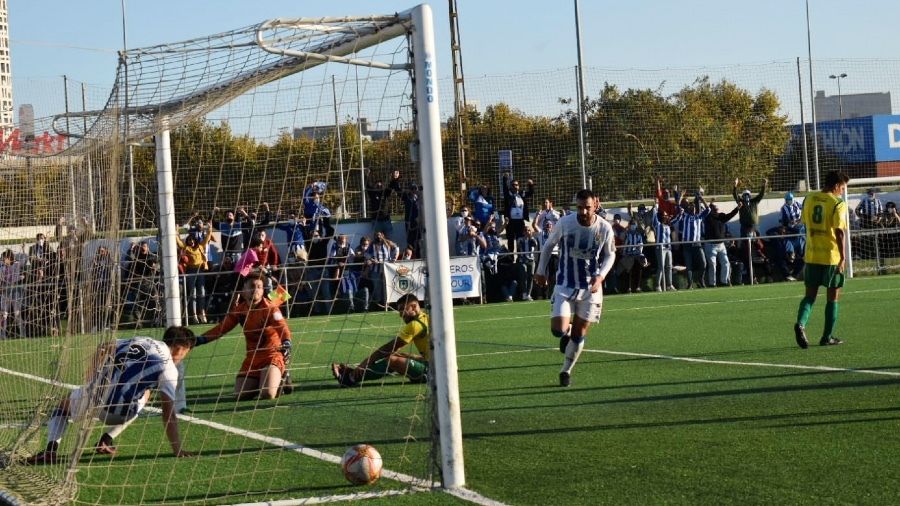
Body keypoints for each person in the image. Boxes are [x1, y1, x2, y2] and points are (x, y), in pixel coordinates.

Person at [24, 326, 198, 464]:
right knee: (145, 393)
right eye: (186, 351)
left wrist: (91, 375)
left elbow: (103, 347)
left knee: (61, 407)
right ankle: (106, 439)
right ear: (179, 348)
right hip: (118, 414)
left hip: (94, 398)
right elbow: (168, 414)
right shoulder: (169, 370)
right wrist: (177, 449)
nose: (184, 356)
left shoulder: (142, 339)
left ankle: (50, 450)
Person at [534, 189, 616, 387]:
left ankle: (566, 371)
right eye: (580, 207)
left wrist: (600, 277)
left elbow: (610, 254)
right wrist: (540, 270)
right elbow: (548, 246)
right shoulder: (565, 223)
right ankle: (567, 330)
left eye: (587, 207)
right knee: (558, 331)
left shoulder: (604, 228)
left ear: (596, 204)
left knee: (580, 335)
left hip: (590, 288)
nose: (583, 212)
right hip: (565, 284)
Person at [198, 272, 293, 399]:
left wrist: (287, 342)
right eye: (252, 286)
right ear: (244, 290)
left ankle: (280, 376)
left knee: (267, 394)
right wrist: (200, 339)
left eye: (259, 287)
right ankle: (268, 378)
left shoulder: (270, 308)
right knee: (240, 394)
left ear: (263, 290)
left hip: (272, 355)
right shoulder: (239, 310)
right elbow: (221, 328)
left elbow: (283, 327)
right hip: (252, 358)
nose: (256, 290)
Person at [794, 170, 850, 349]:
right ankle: (827, 337)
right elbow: (839, 231)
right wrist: (843, 258)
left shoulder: (809, 198)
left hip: (811, 255)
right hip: (831, 257)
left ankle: (801, 324)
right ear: (835, 186)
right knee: (833, 297)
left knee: (810, 296)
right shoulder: (837, 204)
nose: (842, 191)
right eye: (842, 188)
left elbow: (804, 222)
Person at [331, 293, 429, 387]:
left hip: (432, 372)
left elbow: (390, 347)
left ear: (413, 306)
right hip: (435, 363)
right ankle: (356, 373)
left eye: (403, 309)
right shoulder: (425, 318)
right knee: (399, 355)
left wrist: (366, 362)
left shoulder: (415, 325)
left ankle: (350, 378)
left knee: (392, 360)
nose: (401, 315)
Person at [176, 222, 213, 324]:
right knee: (193, 293)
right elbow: (179, 242)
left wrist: (209, 229)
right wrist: (176, 232)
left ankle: (202, 312)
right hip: (191, 271)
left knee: (202, 291)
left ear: (195, 240)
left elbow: (207, 239)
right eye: (189, 240)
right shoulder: (186, 248)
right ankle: (194, 315)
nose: (191, 241)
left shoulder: (200, 247)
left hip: (200, 271)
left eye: (192, 240)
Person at [703, 201, 741, 287]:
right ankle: (712, 284)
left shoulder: (721, 216)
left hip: (721, 245)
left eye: (717, 208)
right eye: (714, 208)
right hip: (710, 245)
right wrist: (702, 199)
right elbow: (706, 209)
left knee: (726, 263)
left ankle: (724, 282)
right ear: (711, 209)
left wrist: (737, 208)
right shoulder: (708, 217)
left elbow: (730, 215)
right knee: (712, 265)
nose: (716, 209)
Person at [501, 172, 535, 252]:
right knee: (510, 240)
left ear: (518, 186)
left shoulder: (521, 194)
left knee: (520, 239)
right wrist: (505, 179)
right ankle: (511, 259)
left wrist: (531, 185)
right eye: (513, 185)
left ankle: (520, 258)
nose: (515, 186)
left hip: (520, 221)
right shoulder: (508, 194)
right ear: (510, 186)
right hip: (510, 222)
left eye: (516, 185)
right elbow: (505, 188)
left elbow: (530, 193)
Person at [0, 250, 26, 339]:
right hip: (5, 293)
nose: (3, 260)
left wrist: (21, 249)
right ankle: (2, 335)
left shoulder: (17, 264)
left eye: (4, 258)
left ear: (9, 258)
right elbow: (4, 278)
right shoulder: (2, 267)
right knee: (4, 314)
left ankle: (23, 335)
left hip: (15, 293)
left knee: (17, 313)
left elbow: (24, 257)